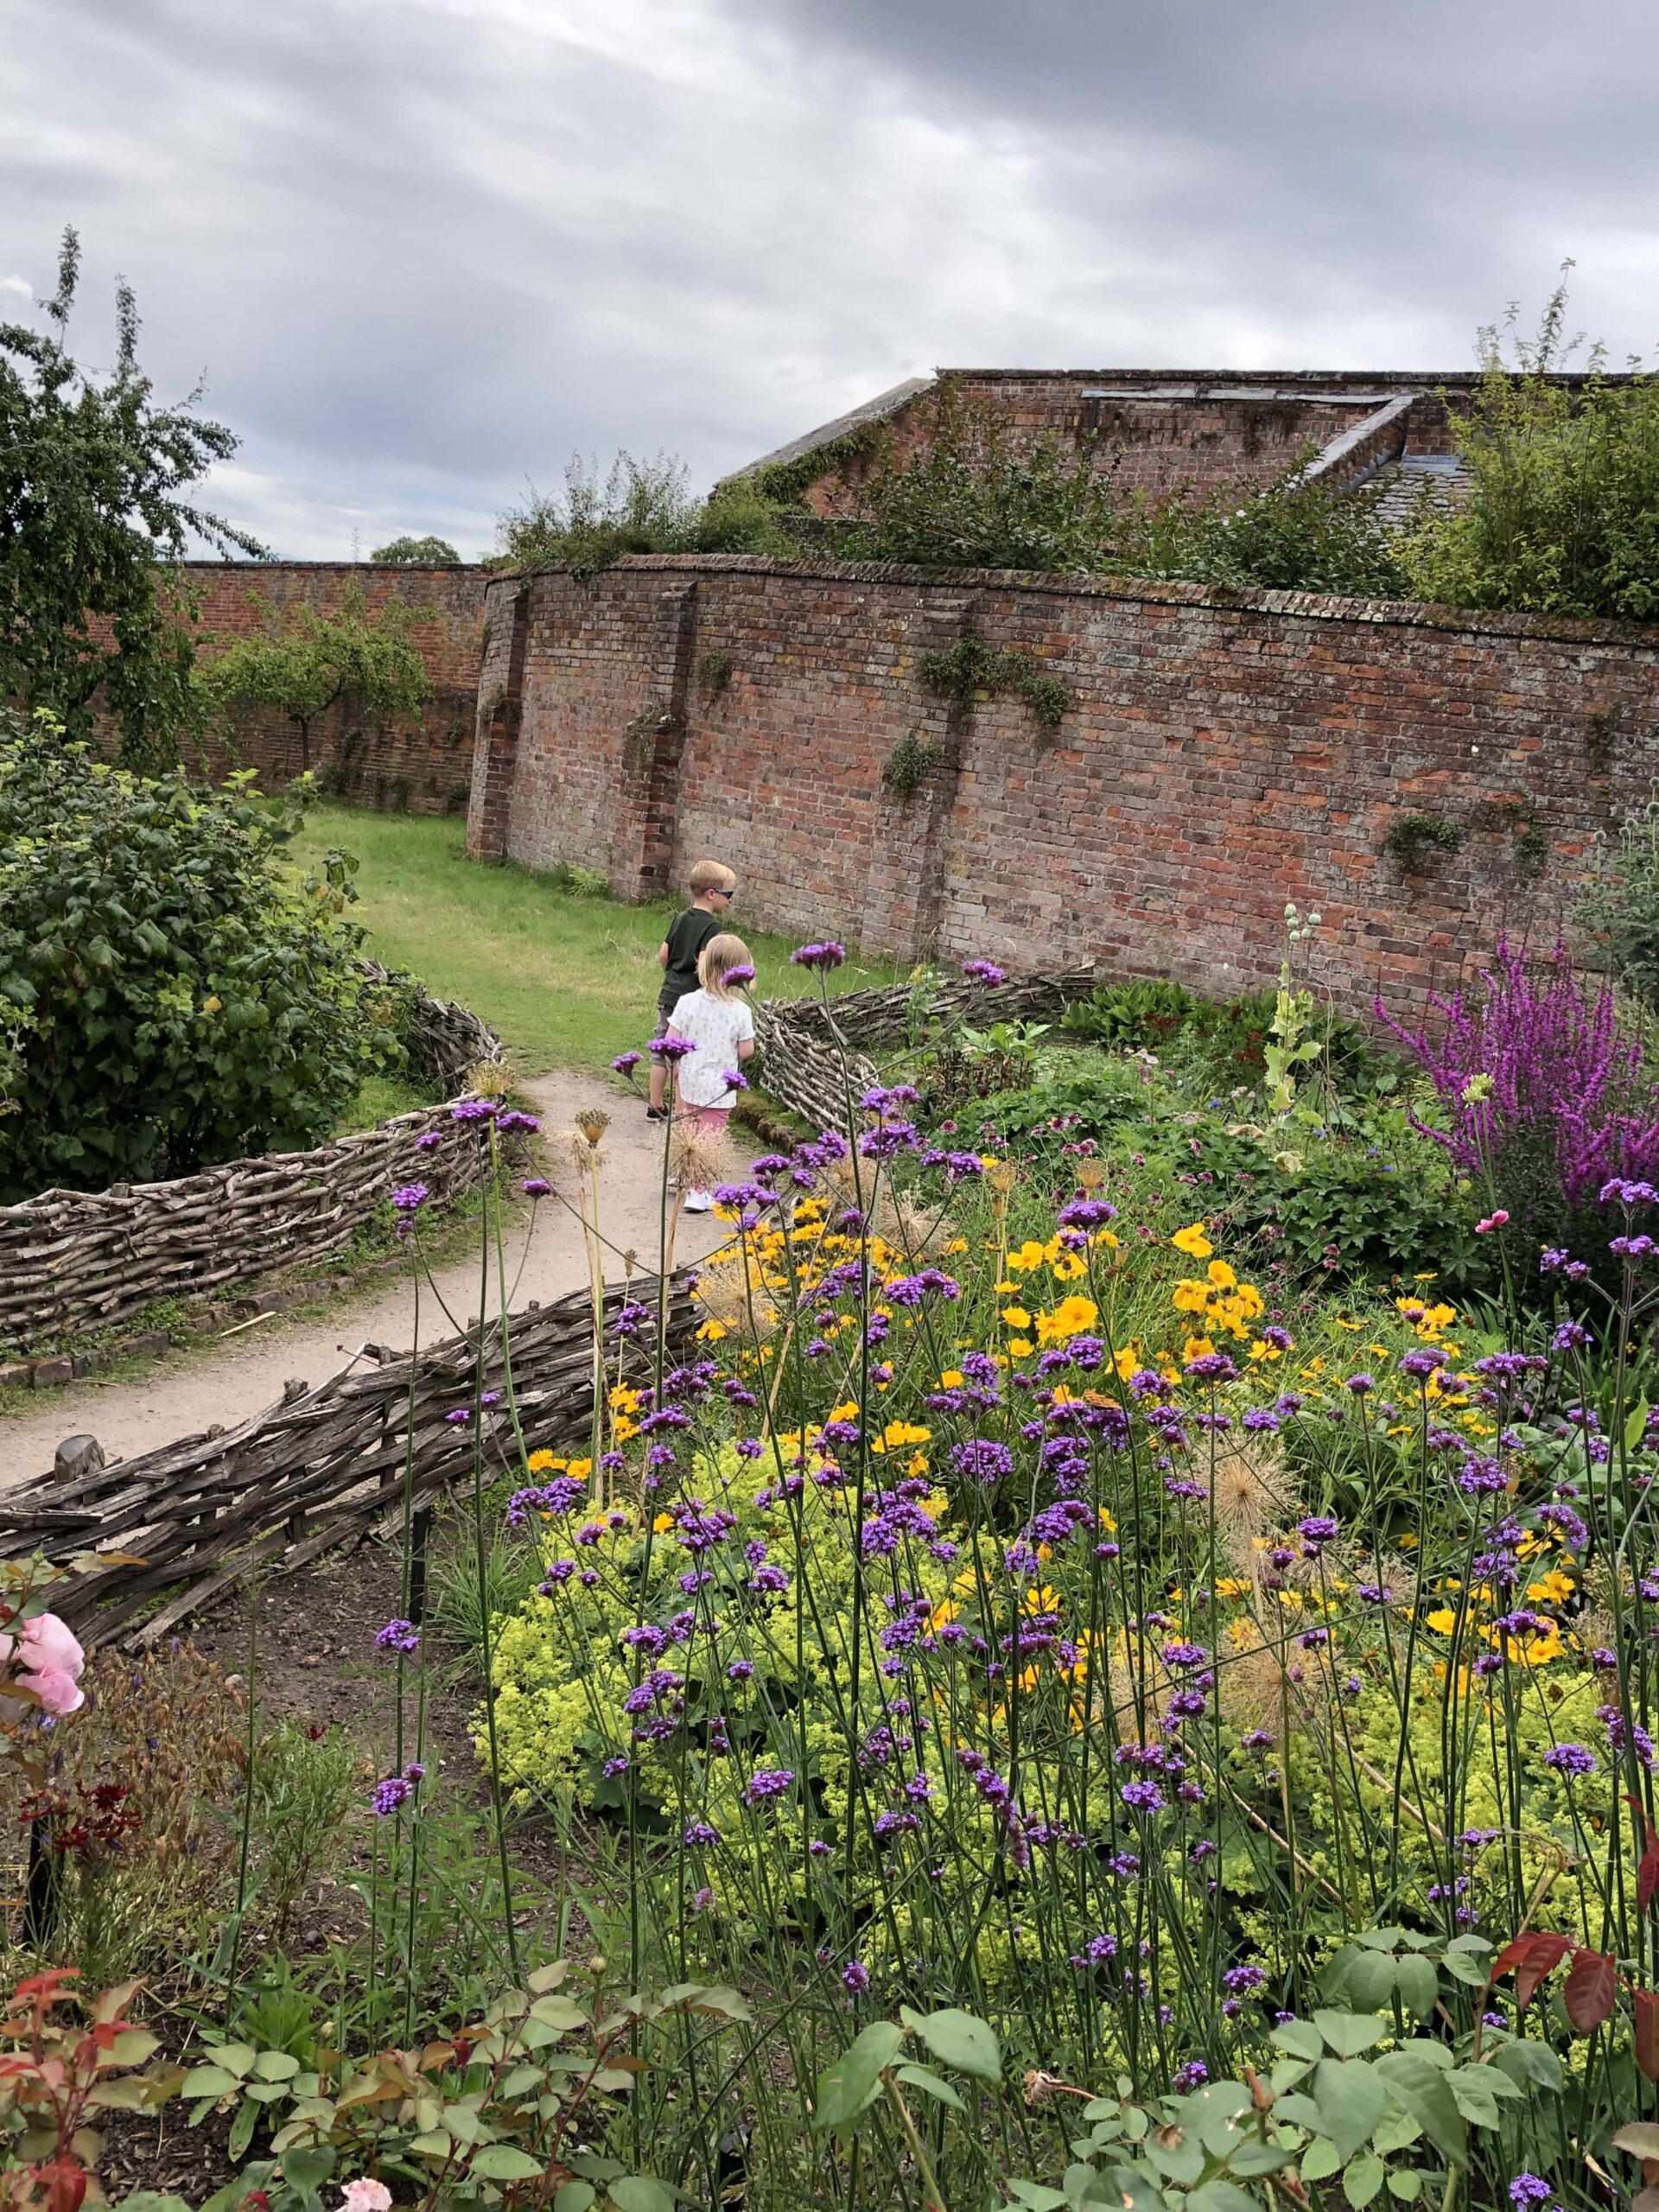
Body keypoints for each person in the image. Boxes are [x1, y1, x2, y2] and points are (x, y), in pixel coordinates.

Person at [664, 933, 755, 1211]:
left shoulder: (687, 1002)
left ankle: (680, 1174)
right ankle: (698, 1191)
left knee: (688, 1130)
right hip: (720, 1087)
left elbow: (671, 1040)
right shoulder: (740, 1010)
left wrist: (678, 1065)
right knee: (710, 1139)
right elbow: (746, 1050)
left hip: (690, 1080)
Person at [648, 859, 737, 1121]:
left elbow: (663, 955)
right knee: (683, 1055)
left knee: (662, 1050)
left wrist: (671, 975)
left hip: (668, 994)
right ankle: (680, 1111)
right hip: (690, 1000)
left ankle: (654, 1105)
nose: (729, 901)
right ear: (712, 894)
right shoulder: (712, 927)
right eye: (728, 895)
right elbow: (704, 963)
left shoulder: (680, 918)